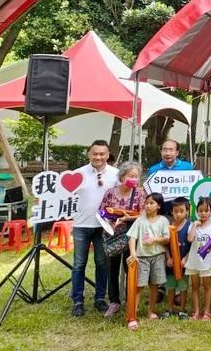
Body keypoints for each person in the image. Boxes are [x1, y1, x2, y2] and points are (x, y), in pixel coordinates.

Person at [71, 140, 119, 317]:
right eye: (95, 153)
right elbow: (66, 196)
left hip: (103, 227)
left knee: (101, 263)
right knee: (78, 264)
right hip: (81, 225)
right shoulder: (77, 174)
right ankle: (77, 300)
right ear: (89, 154)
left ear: (107, 155)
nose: (98, 157)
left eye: (102, 154)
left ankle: (100, 298)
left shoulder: (116, 174)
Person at [98, 160, 145, 318]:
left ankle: (130, 300)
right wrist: (109, 221)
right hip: (112, 235)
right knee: (112, 268)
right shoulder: (111, 192)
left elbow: (144, 214)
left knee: (130, 267)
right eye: (131, 175)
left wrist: (127, 218)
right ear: (122, 175)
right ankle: (114, 301)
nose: (134, 179)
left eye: (136, 176)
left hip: (131, 236)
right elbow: (102, 211)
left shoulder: (139, 193)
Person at [125, 192, 170, 330]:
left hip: (158, 256)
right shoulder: (140, 220)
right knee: (138, 287)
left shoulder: (163, 220)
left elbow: (167, 238)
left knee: (155, 285)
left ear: (159, 206)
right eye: (146, 203)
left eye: (152, 203)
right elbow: (132, 237)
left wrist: (154, 239)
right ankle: (132, 315)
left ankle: (151, 311)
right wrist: (133, 254)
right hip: (142, 258)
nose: (148, 205)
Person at [185, 196, 211, 320]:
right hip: (194, 261)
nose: (203, 213)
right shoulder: (193, 224)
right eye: (200, 210)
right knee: (194, 286)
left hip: (207, 262)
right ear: (197, 211)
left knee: (207, 286)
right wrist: (194, 225)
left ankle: (207, 311)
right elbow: (189, 239)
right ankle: (196, 311)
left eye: (206, 210)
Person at [164, 196, 191, 319]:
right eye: (175, 212)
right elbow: (165, 245)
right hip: (171, 264)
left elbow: (192, 246)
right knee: (170, 286)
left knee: (183, 287)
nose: (178, 214)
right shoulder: (169, 227)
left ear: (187, 211)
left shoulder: (189, 226)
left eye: (181, 211)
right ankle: (169, 309)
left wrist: (185, 258)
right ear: (171, 212)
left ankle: (183, 310)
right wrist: (168, 257)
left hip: (182, 264)